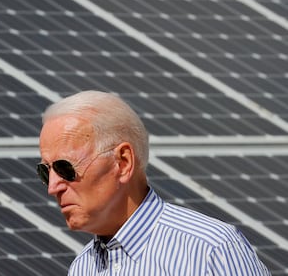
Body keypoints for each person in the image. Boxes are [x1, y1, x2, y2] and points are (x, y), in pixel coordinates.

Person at [37, 90, 270, 275]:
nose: (52, 187)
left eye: (65, 168)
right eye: (46, 172)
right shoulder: (82, 267)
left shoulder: (210, 250)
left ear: (123, 162)